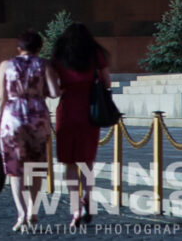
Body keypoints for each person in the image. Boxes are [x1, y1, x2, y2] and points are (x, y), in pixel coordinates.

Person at [0, 30, 61, 232]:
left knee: (15, 169)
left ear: (19, 47)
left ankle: (21, 213)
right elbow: (55, 91)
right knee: (36, 166)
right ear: (39, 48)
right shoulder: (44, 65)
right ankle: (33, 209)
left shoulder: (6, 66)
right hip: (37, 117)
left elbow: (1, 97)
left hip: (12, 119)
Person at [52, 23, 110, 228]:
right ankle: (87, 199)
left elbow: (54, 86)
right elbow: (107, 82)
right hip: (90, 112)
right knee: (87, 162)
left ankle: (76, 209)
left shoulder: (59, 55)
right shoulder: (94, 54)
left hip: (67, 111)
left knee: (69, 163)